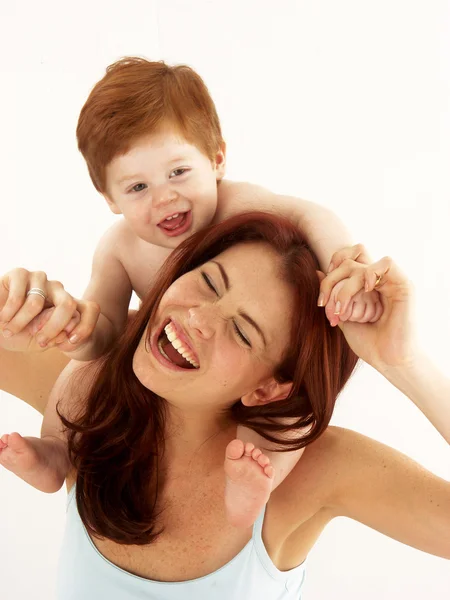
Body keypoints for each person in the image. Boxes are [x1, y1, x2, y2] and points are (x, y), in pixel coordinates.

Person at [0, 57, 382, 527]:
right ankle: (58, 452)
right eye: (137, 186)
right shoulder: (120, 247)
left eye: (178, 172)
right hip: (168, 363)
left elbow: (310, 216)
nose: (164, 198)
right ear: (108, 199)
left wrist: (343, 261)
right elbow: (105, 332)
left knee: (295, 406)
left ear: (217, 159)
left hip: (242, 376)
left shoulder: (239, 206)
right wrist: (78, 332)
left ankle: (253, 486)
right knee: (86, 372)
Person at [0, 213, 448, 600]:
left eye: (242, 332)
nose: (197, 318)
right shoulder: (91, 395)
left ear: (268, 389)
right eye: (210, 282)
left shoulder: (309, 473)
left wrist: (405, 364)